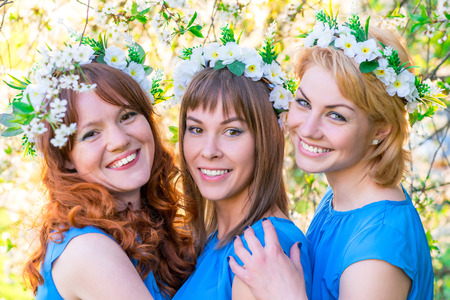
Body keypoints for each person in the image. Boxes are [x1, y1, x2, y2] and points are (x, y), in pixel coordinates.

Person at [229, 9, 438, 300]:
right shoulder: (341, 200)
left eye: (336, 116)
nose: (309, 128)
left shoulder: (376, 253)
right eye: (303, 102)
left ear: (381, 130)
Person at [2, 38, 195, 299]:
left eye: (126, 116)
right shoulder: (88, 249)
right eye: (91, 133)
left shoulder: (152, 229)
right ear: (66, 157)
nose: (119, 141)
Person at [171, 26, 313, 300]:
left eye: (232, 131)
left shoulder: (260, 251)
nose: (209, 151)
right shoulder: (215, 241)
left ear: (266, 139)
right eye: (197, 129)